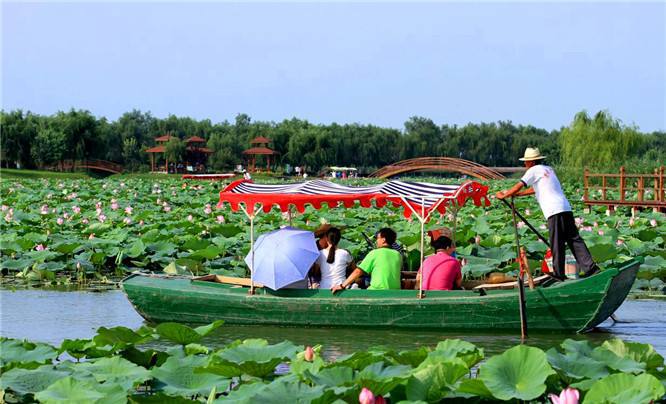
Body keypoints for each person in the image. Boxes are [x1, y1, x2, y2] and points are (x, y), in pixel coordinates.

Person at [496, 147, 599, 280]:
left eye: (526, 162)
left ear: (531, 162)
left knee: (557, 242)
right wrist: (517, 195)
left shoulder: (532, 170)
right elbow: (536, 189)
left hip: (553, 210)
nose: (525, 164)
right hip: (565, 208)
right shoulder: (548, 169)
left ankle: (559, 274)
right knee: (574, 239)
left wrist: (504, 195)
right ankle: (591, 268)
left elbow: (519, 185)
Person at [331, 227, 402, 292]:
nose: (376, 241)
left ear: (383, 240)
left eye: (377, 238)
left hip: (377, 291)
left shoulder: (374, 253)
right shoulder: (398, 255)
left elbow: (358, 272)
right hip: (395, 291)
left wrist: (342, 286)